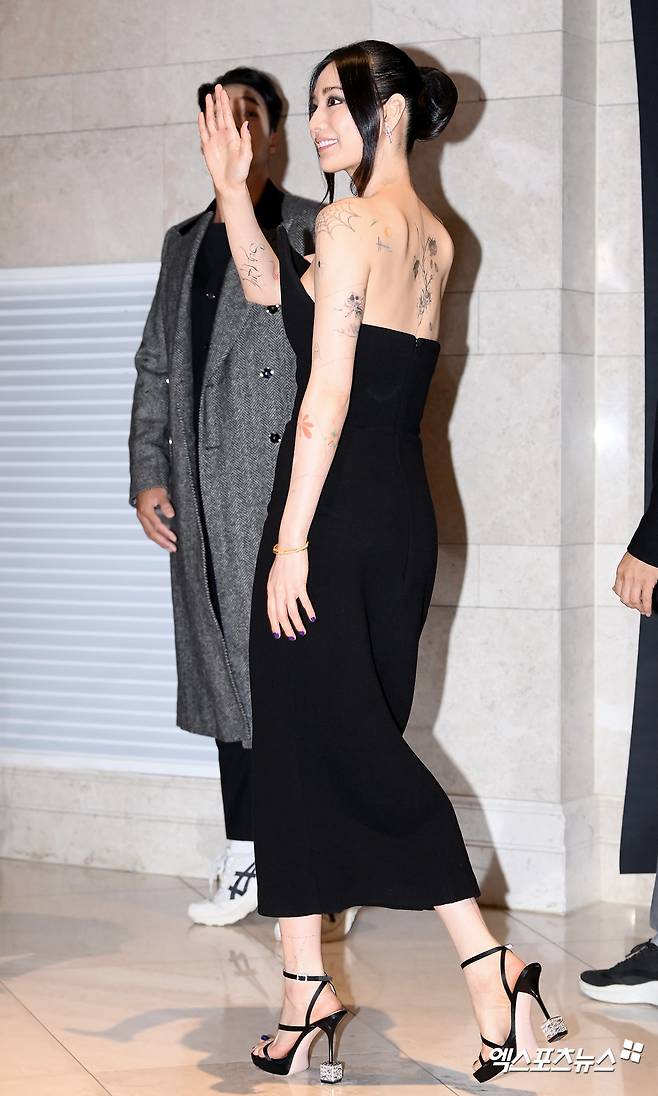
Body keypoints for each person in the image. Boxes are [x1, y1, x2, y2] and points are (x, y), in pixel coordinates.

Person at [197, 39, 569, 1084]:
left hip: (331, 514)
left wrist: (289, 541)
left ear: (391, 112)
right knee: (308, 744)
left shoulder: (351, 222)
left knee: (348, 745)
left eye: (334, 102)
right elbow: (277, 296)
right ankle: (303, 987)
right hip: (396, 514)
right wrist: (233, 193)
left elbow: (324, 396)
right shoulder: (433, 237)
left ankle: (491, 968)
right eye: (314, 105)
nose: (317, 123)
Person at [128, 67, 345, 932]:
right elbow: (156, 365)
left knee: (295, 684)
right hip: (199, 495)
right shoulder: (182, 241)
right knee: (227, 684)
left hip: (283, 490)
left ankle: (318, 874)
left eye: (250, 114)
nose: (235, 129)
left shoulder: (312, 226)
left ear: (274, 131)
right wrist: (147, 471)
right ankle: (247, 857)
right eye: (219, 115)